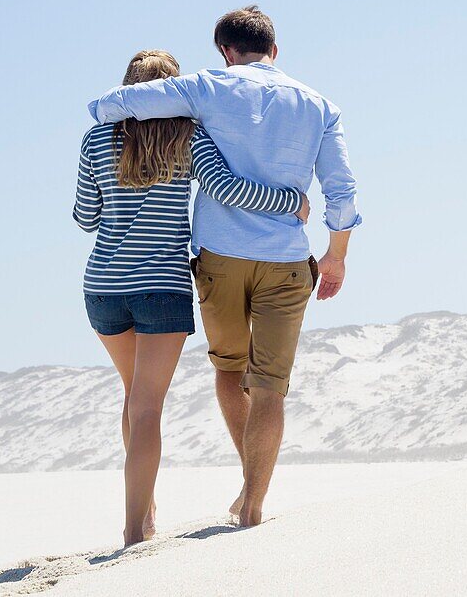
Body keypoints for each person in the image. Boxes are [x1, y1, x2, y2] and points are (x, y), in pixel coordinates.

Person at [88, 6, 362, 527]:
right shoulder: (319, 106)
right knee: (270, 386)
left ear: (224, 52)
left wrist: (114, 118)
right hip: (284, 260)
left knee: (227, 371)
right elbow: (343, 191)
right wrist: (335, 256)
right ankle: (252, 502)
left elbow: (108, 109)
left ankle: (195, 501)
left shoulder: (206, 87)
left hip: (214, 261)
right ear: (275, 51)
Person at [76, 49, 309, 546]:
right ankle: (135, 530)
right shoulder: (188, 138)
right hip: (161, 287)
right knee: (146, 406)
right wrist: (293, 202)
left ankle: (146, 511)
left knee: (134, 398)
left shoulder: (96, 139)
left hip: (104, 288)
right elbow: (227, 189)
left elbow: (84, 217)